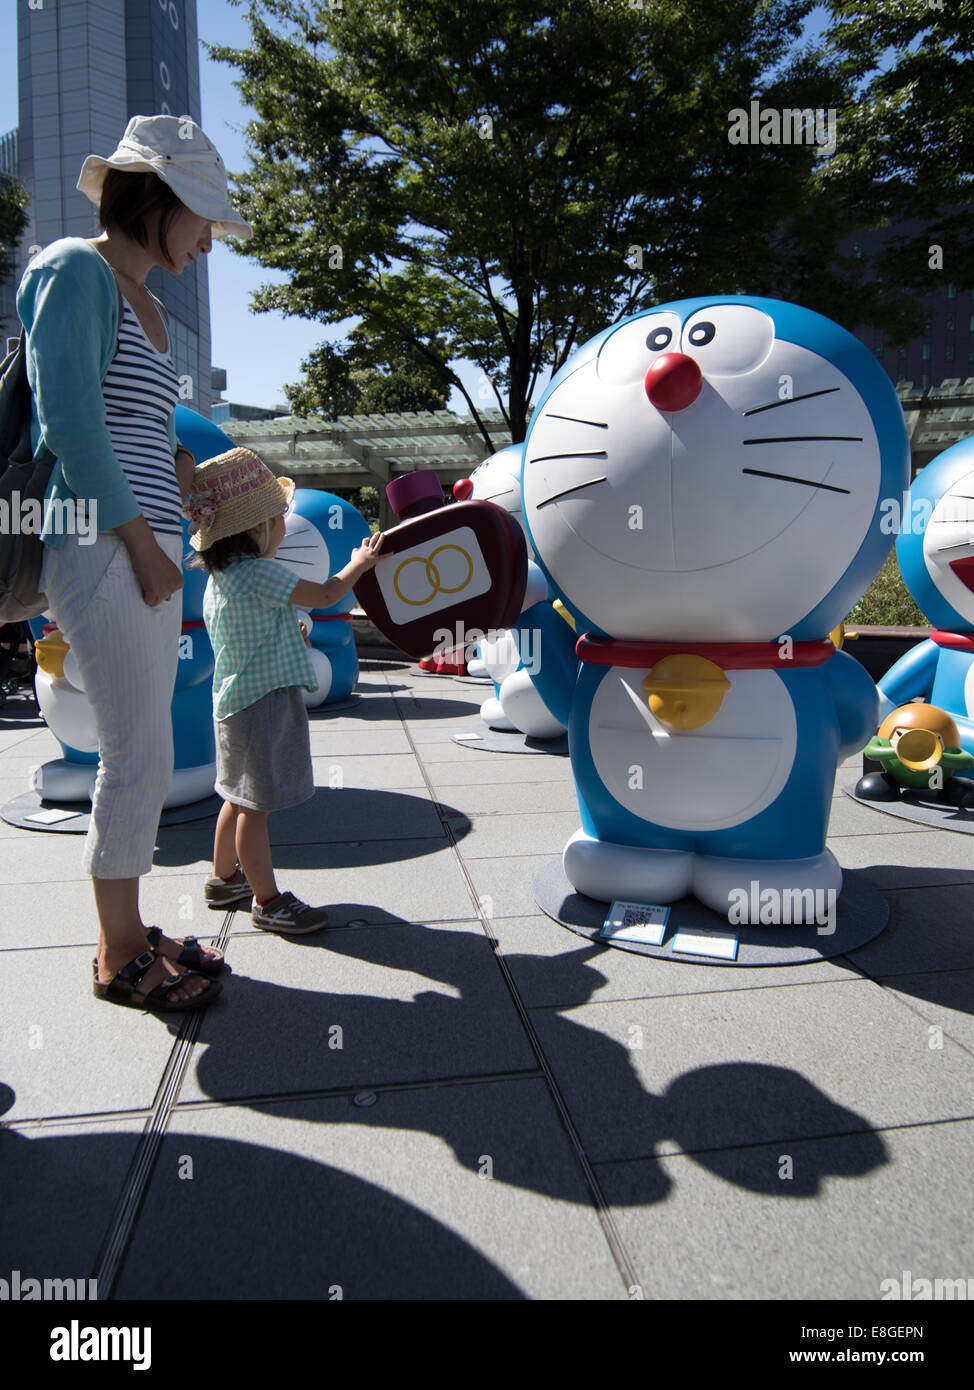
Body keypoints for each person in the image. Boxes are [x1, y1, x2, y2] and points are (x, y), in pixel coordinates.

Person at [16, 115, 252, 1011]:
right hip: (103, 548)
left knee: (144, 754)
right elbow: (69, 422)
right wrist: (149, 549)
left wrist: (188, 492)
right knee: (138, 757)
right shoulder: (74, 268)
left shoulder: (144, 301)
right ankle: (118, 957)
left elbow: (136, 428)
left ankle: (131, 927)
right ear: (161, 197)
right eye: (204, 220)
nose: (209, 241)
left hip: (141, 547)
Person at [187, 447, 384, 932]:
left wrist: (285, 635)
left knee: (235, 796)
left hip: (234, 704)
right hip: (262, 706)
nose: (283, 529)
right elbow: (324, 594)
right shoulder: (259, 572)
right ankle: (267, 901)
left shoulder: (222, 579)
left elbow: (244, 636)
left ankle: (222, 879)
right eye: (279, 520)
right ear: (255, 529)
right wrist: (359, 562)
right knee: (256, 806)